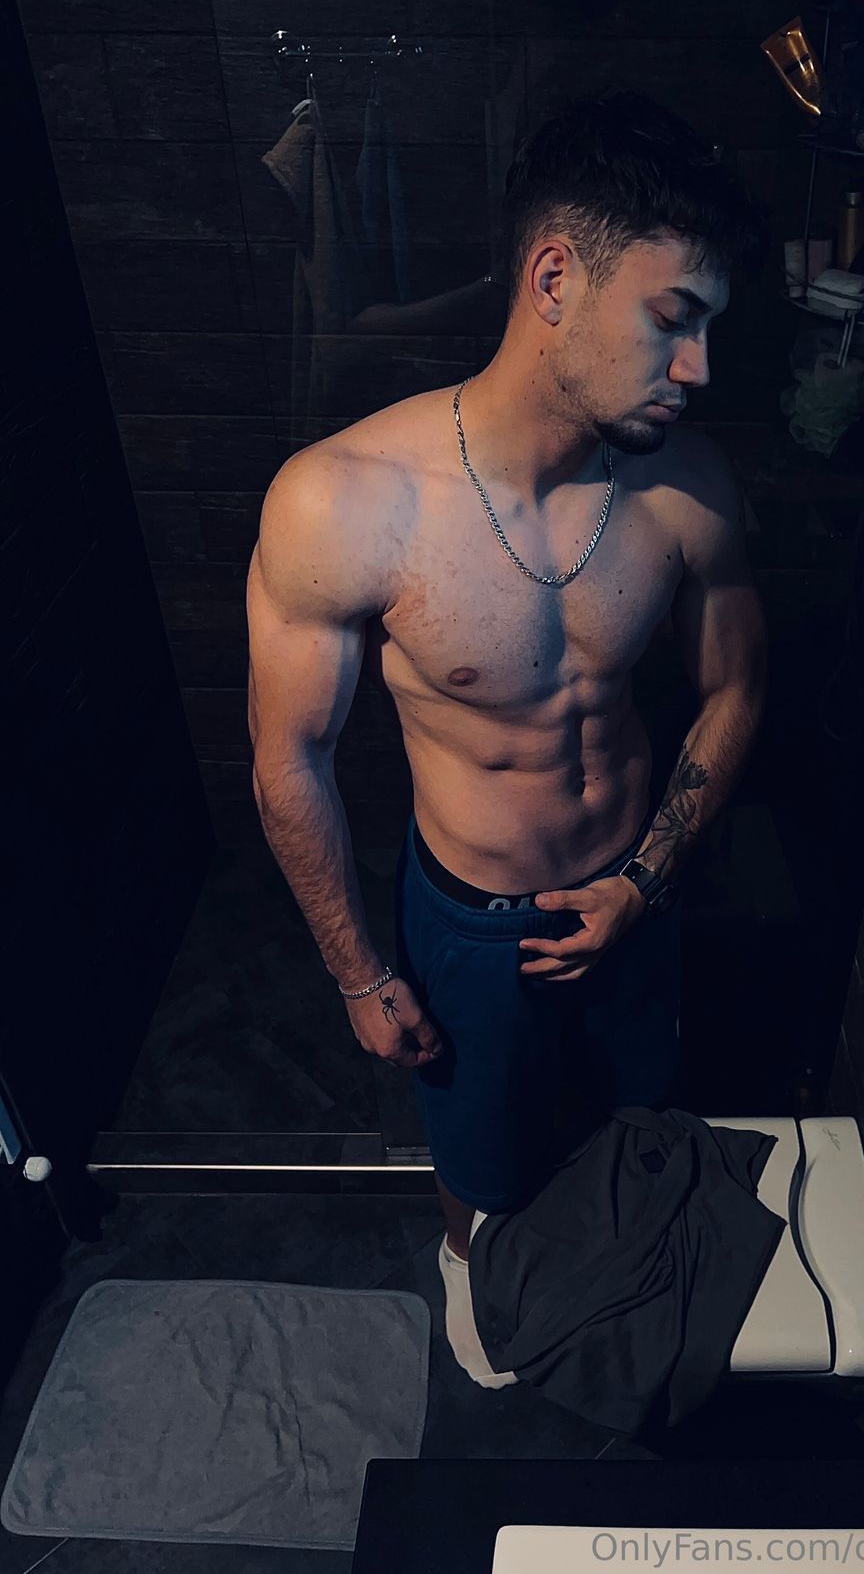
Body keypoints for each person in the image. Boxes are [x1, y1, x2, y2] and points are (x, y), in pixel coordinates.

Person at [245, 88, 770, 1329]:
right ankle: (468, 1279)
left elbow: (736, 688)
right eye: (672, 320)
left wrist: (644, 881)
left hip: (633, 892)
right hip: (473, 923)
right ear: (553, 280)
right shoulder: (344, 501)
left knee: (631, 1123)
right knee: (477, 1160)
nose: (697, 369)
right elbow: (288, 759)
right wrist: (359, 977)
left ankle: (603, 1291)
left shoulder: (687, 486)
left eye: (709, 329)